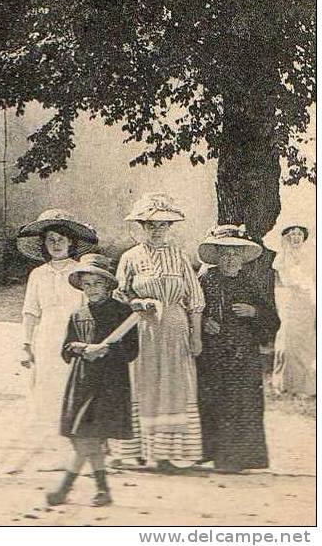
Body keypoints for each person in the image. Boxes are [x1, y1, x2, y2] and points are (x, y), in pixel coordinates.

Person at [112, 192, 205, 470]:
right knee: (143, 385)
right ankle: (137, 450)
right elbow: (119, 295)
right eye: (150, 225)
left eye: (162, 225)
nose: (156, 230)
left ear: (170, 227)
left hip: (175, 328)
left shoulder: (179, 257)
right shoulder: (130, 257)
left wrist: (196, 336)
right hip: (142, 330)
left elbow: (196, 300)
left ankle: (166, 453)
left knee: (173, 386)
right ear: (141, 226)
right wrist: (136, 302)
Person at [46, 252, 139, 509]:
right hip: (81, 381)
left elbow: (132, 352)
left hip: (109, 383)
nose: (91, 289)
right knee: (85, 438)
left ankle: (64, 489)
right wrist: (81, 347)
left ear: (109, 285)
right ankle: (102, 490)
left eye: (97, 283)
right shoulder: (78, 314)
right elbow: (65, 350)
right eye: (86, 284)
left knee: (87, 438)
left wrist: (108, 350)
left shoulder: (123, 313)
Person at [197, 226, 279, 472]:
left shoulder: (253, 282)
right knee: (213, 400)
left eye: (234, 254)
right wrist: (202, 323)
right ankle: (211, 453)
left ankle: (238, 459)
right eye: (224, 254)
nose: (229, 259)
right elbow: (191, 307)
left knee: (243, 403)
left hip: (244, 353)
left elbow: (273, 319)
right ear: (217, 256)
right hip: (213, 352)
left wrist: (254, 312)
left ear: (242, 257)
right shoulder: (205, 280)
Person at [18, 209, 98, 448]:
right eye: (50, 239)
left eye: (61, 239)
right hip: (46, 338)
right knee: (46, 390)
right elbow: (30, 311)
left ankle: (79, 446)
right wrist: (26, 345)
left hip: (75, 336)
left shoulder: (81, 272)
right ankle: (50, 447)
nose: (56, 244)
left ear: (71, 242)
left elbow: (90, 307)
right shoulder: (38, 274)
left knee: (74, 388)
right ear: (43, 243)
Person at [272, 224, 315, 399]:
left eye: (299, 234)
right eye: (292, 234)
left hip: (307, 302)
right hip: (289, 301)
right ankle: (284, 383)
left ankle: (306, 385)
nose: (296, 237)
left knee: (306, 341)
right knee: (288, 340)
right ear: (287, 237)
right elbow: (281, 282)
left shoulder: (311, 257)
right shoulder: (281, 258)